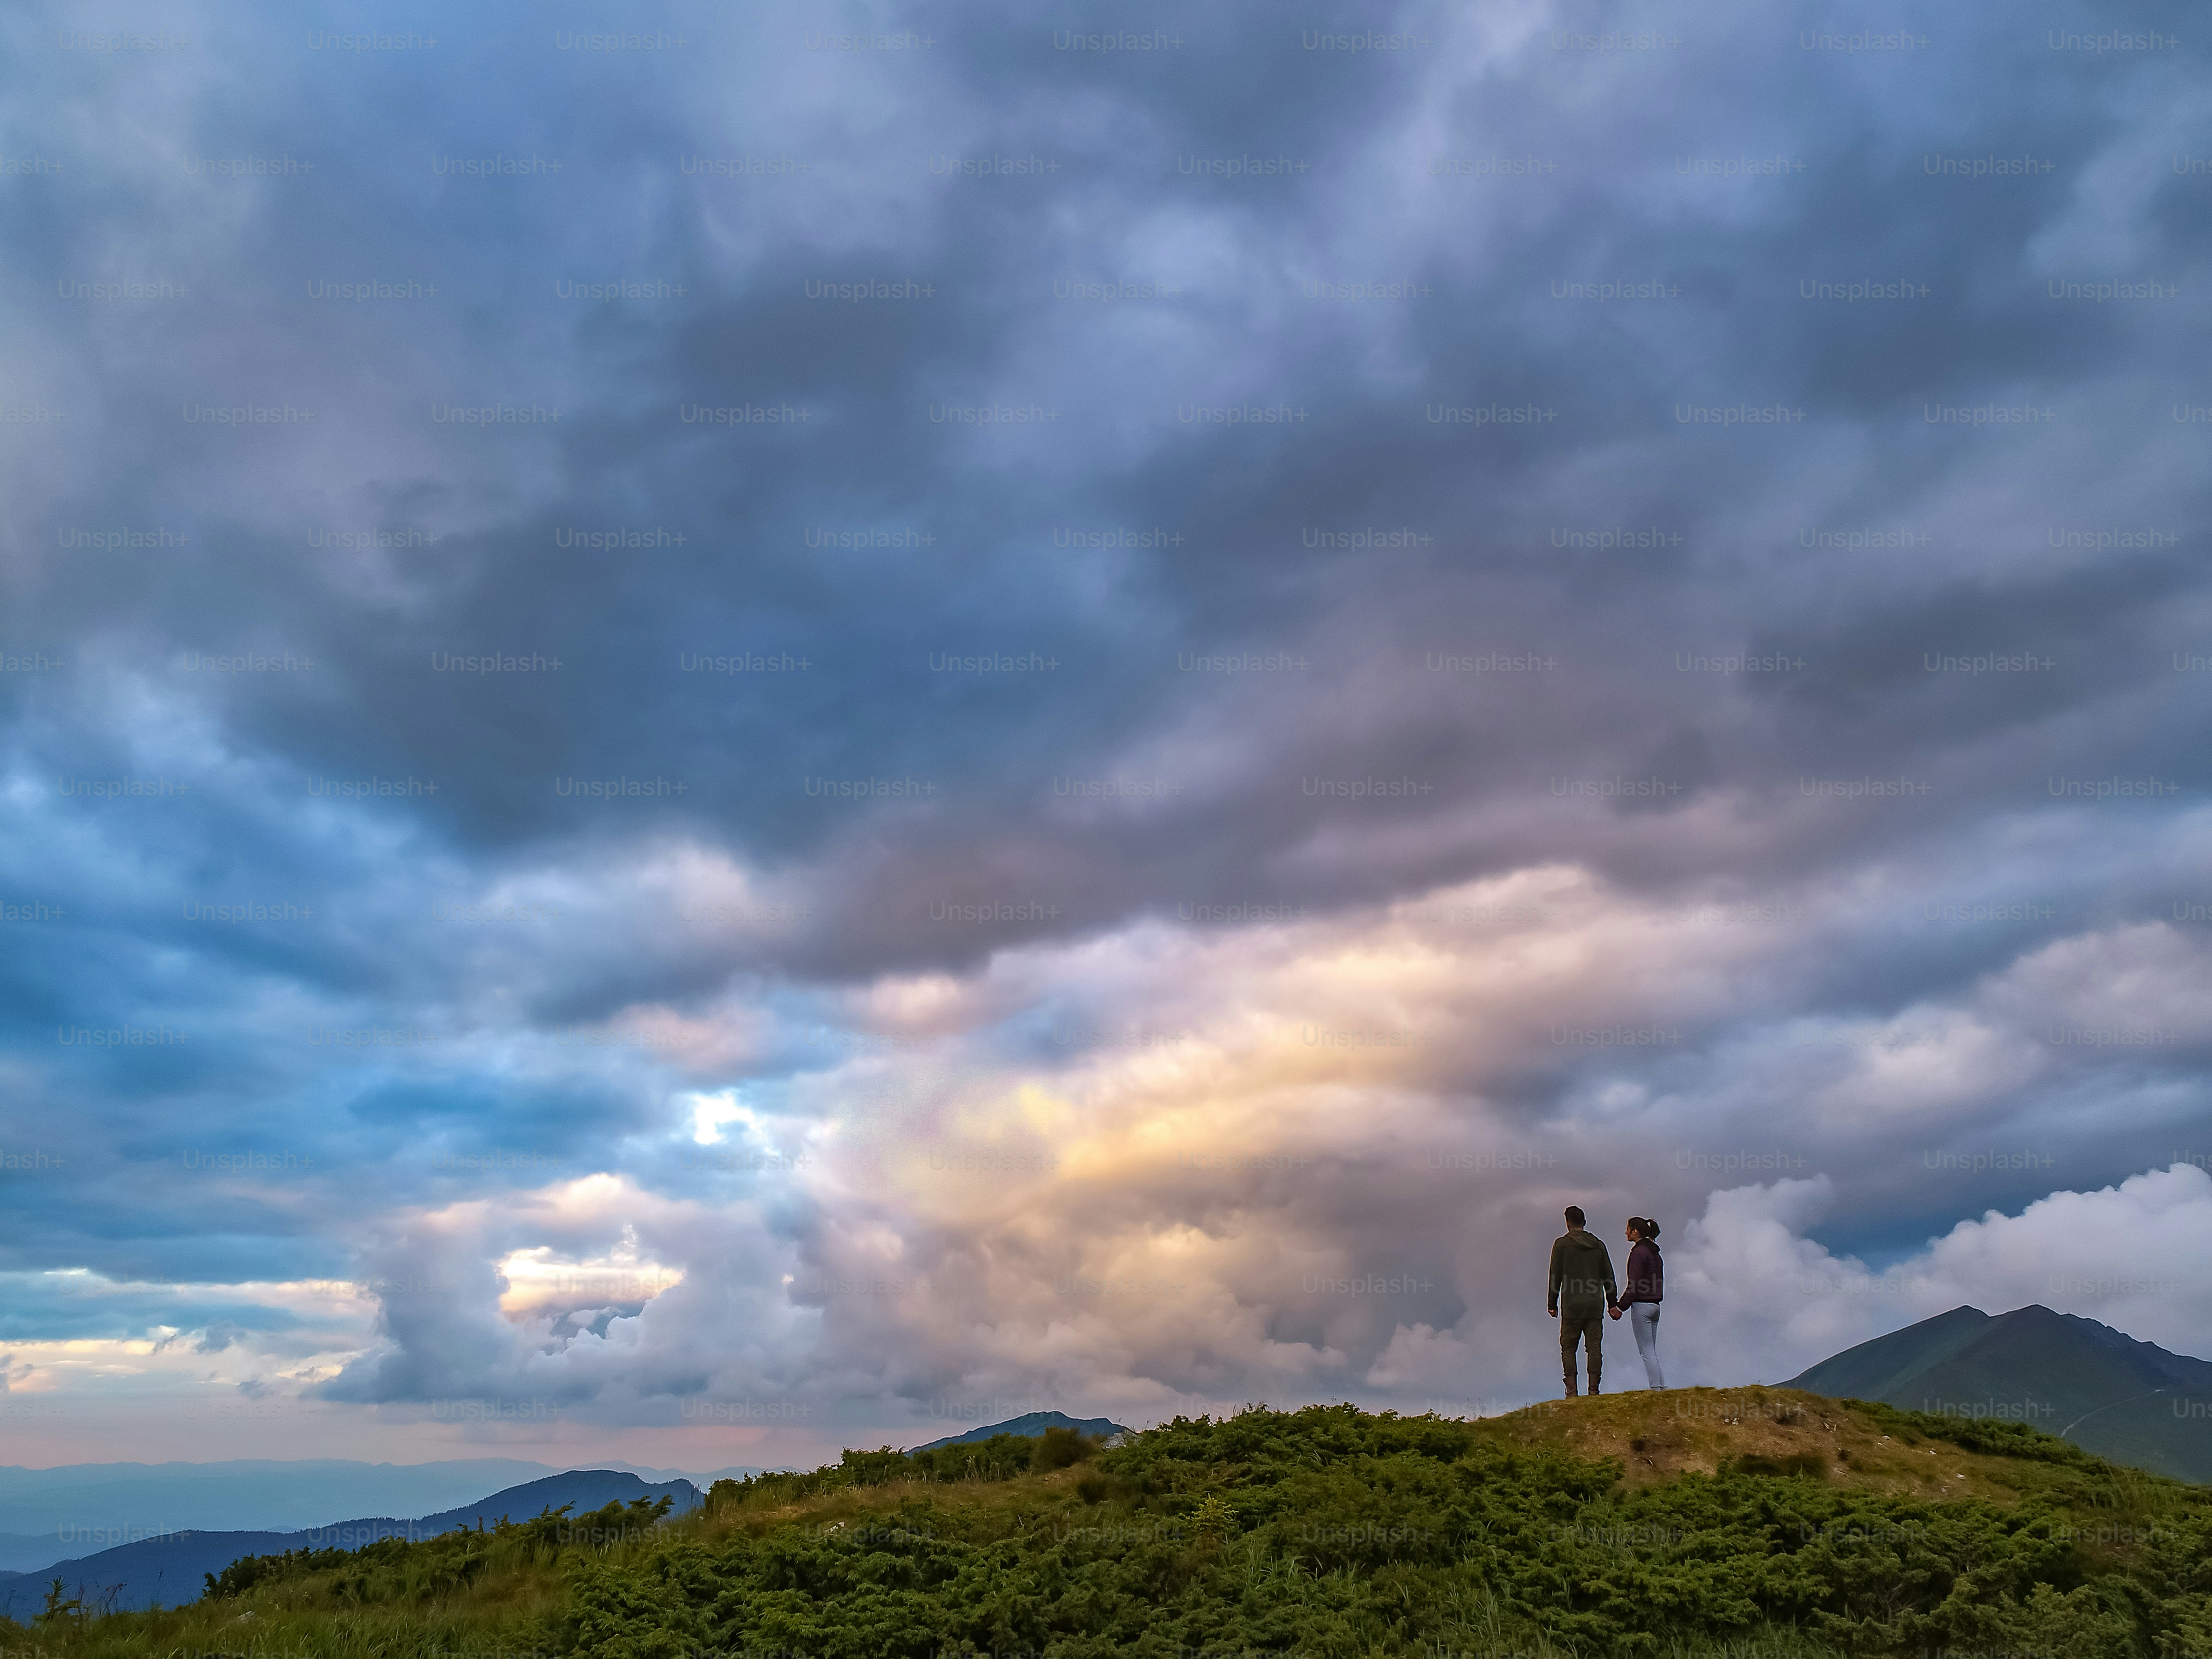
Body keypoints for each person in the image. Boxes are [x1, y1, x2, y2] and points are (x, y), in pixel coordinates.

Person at [1546, 1205, 1617, 1397]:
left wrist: (1552, 1303)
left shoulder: (1561, 1245)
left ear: (1567, 1223)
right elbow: (1609, 1276)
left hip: (1572, 1305)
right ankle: (1594, 1390)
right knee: (1594, 1347)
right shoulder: (1599, 1245)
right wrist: (1612, 1303)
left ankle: (1572, 1391)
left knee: (1569, 1347)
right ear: (1584, 1222)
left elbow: (1555, 1276)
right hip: (1595, 1304)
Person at [1610, 1216, 1665, 1389]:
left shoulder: (1638, 1253)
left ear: (1635, 1231)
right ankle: (1662, 1388)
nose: (1625, 1232)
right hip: (1656, 1306)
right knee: (1651, 1351)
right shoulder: (1656, 1254)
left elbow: (1633, 1285)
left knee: (1646, 1351)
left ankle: (1656, 1389)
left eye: (1628, 1229)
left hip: (1642, 1306)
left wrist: (1620, 1307)